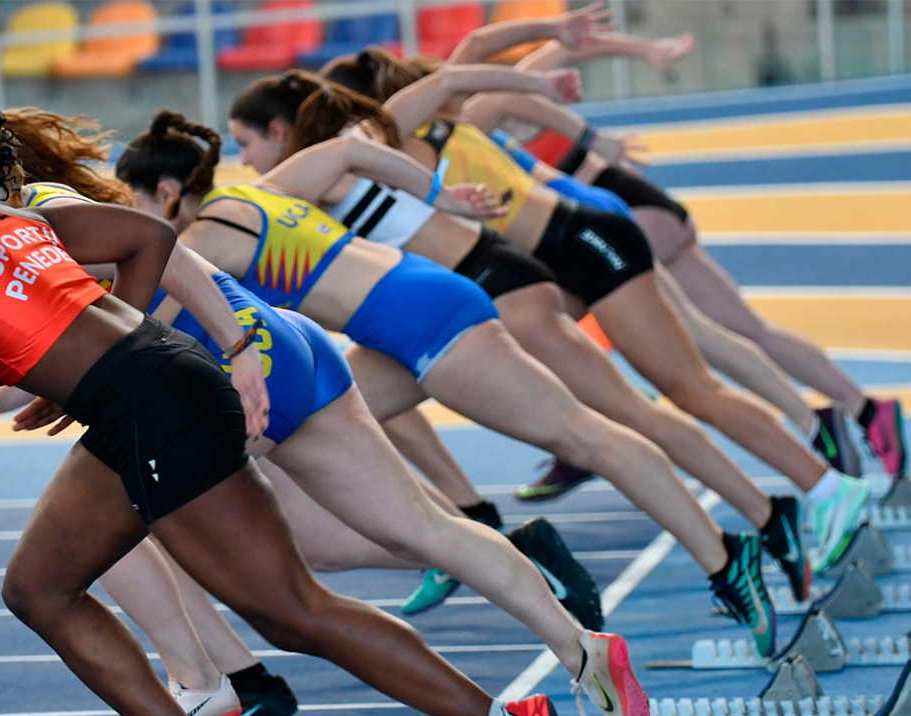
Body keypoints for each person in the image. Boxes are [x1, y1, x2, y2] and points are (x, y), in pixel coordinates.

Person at [0, 96, 592, 716]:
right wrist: (113, 344)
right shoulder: (5, 215)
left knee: (294, 612)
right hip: (162, 381)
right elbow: (151, 241)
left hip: (152, 405)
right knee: (38, 586)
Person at [0, 113, 651, 716]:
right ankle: (581, 645)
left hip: (226, 361)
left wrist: (228, 351)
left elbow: (161, 269)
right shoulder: (64, 214)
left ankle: (205, 681)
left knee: (102, 533)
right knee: (405, 531)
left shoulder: (30, 217)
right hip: (288, 341)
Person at [117, 109, 780, 658]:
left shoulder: (202, 242)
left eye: (133, 208)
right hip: (402, 318)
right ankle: (479, 543)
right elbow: (354, 153)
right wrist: (437, 194)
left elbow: (137, 319)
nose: (134, 227)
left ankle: (725, 556)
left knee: (588, 435)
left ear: (166, 195)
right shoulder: (261, 189)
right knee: (301, 437)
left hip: (426, 321)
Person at [226, 70, 817, 609]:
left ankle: (762, 520)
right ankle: (450, 534)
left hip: (495, 283)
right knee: (327, 421)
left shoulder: (325, 159)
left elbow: (457, 72)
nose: (245, 160)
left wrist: (545, 110)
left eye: (246, 144)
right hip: (458, 293)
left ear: (280, 130)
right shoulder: (323, 165)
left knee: (619, 422)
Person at [453, 18, 909, 479]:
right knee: (734, 331)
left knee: (654, 340)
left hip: (614, 213)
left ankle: (604, 421)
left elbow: (535, 57)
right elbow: (568, 49)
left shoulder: (472, 107)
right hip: (617, 211)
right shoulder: (479, 110)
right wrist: (647, 52)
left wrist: (590, 135)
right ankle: (862, 411)